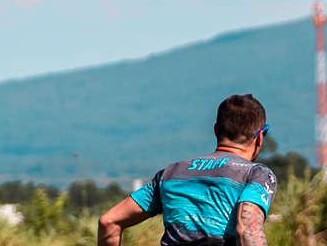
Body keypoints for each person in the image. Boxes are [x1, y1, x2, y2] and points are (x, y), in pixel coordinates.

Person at [98, 94, 277, 246]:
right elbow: (247, 230)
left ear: (216, 130)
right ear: (260, 137)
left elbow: (109, 221)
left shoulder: (171, 173)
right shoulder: (257, 174)